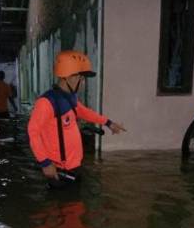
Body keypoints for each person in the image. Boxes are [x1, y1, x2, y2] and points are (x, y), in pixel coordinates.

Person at [28, 50, 126, 188]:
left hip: (74, 165)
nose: (84, 83)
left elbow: (83, 112)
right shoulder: (47, 102)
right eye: (82, 79)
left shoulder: (70, 97)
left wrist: (108, 123)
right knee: (63, 206)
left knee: (74, 204)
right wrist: (45, 163)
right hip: (58, 169)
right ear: (70, 77)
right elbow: (33, 133)